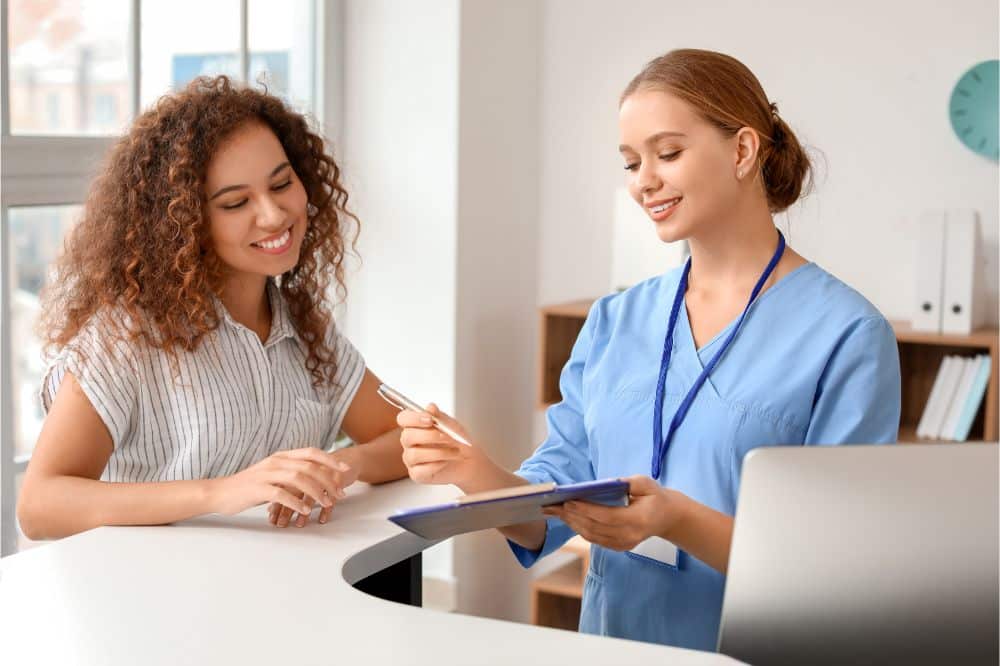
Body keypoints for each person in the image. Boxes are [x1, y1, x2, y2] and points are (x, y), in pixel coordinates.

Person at [395, 49, 901, 651]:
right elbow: (548, 513)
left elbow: (833, 563)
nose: (644, 181)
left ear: (742, 150)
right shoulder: (615, 319)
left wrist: (677, 520)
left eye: (668, 153)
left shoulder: (846, 334)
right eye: (632, 162)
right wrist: (472, 472)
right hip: (616, 640)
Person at [17, 76, 407, 540]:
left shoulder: (302, 328)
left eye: (282, 183)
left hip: (278, 586)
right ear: (185, 223)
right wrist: (224, 492)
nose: (274, 214)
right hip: (151, 596)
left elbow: (410, 439)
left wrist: (340, 465)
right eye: (236, 202)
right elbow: (40, 506)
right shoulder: (125, 336)